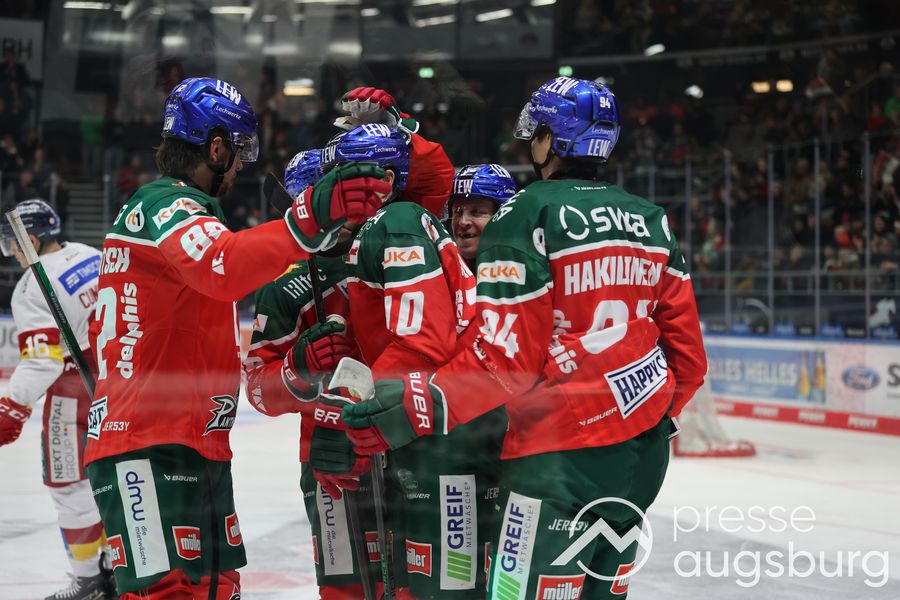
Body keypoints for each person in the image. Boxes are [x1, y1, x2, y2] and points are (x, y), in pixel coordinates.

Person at [342, 77, 708, 599]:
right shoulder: (651, 220)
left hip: (555, 458)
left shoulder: (526, 212)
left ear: (550, 140)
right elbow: (689, 360)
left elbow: (504, 363)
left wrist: (408, 408)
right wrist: (646, 418)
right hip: (643, 456)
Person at [82, 77, 390, 600]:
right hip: (146, 441)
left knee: (217, 589)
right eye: (241, 149)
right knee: (167, 595)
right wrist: (307, 219)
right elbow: (222, 267)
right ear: (216, 147)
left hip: (187, 440)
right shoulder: (165, 204)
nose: (244, 164)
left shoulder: (181, 210)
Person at [311, 122, 512, 600]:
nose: (333, 190)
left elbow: (422, 343)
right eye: (458, 210)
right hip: (434, 427)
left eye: (344, 177)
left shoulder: (397, 221)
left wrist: (358, 412)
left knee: (445, 588)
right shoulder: (392, 224)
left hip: (447, 441)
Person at [0, 199, 114, 600]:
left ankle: (88, 581)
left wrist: (12, 408)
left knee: (69, 485)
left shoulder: (32, 287)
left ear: (31, 240)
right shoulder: (89, 253)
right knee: (113, 476)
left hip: (73, 388)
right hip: (120, 376)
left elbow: (42, 361)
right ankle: (116, 569)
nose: (11, 252)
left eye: (11, 243)